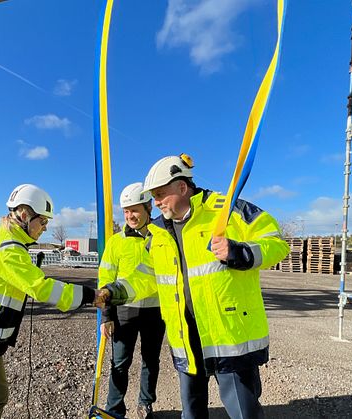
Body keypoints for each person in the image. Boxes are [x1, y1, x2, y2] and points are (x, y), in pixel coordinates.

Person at [98, 154, 289, 419]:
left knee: (243, 412)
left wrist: (240, 252)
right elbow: (147, 275)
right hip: (185, 338)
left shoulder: (227, 210)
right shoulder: (157, 232)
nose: (156, 203)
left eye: (160, 195)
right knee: (192, 412)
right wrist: (113, 292)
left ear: (182, 187)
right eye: (153, 197)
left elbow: (277, 242)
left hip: (227, 336)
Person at [0, 184, 104, 419]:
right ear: (24, 214)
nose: (45, 228)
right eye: (42, 221)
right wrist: (89, 295)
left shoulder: (6, 241)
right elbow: (40, 288)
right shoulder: (8, 248)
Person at [98, 182, 165, 419]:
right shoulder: (116, 242)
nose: (130, 216)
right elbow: (105, 280)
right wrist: (106, 317)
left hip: (156, 312)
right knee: (119, 363)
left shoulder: (161, 238)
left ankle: (145, 403)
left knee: (151, 361)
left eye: (135, 210)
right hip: (123, 312)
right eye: (126, 211)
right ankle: (114, 408)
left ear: (149, 208)